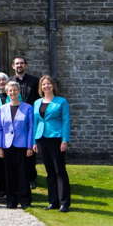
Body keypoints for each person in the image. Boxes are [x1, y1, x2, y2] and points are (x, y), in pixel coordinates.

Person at [33, 75, 71, 212]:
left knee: (59, 171)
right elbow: (35, 123)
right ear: (41, 87)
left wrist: (65, 140)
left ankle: (64, 202)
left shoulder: (61, 102)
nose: (46, 86)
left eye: (49, 84)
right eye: (44, 84)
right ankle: (52, 201)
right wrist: (34, 141)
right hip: (41, 139)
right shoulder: (37, 103)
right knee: (49, 172)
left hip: (56, 138)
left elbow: (66, 121)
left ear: (53, 86)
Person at [0, 81, 34, 209]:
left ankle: (25, 200)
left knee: (23, 174)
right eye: (10, 90)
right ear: (7, 92)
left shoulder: (28, 108)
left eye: (15, 90)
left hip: (22, 145)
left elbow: (30, 128)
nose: (12, 92)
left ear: (19, 92)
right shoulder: (2, 109)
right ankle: (11, 200)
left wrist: (29, 146)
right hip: (7, 145)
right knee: (9, 174)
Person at [10, 56, 40, 189]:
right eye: (17, 64)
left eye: (21, 63)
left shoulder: (35, 81)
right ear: (13, 66)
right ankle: (16, 178)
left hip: (31, 117)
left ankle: (31, 178)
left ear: (25, 65)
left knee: (30, 149)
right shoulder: (9, 81)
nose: (19, 66)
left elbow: (39, 99)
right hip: (15, 118)